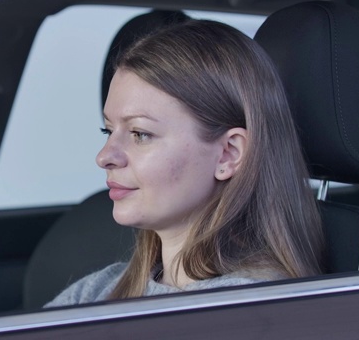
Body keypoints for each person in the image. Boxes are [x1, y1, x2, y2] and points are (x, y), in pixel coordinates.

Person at [45, 19, 324, 307]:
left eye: (140, 134)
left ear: (228, 154)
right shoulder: (99, 290)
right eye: (108, 130)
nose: (104, 156)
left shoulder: (246, 312)